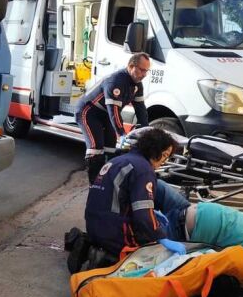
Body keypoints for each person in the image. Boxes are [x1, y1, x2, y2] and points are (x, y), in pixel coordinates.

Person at [84, 128, 181, 257]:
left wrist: (152, 213)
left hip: (92, 226)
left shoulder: (118, 160)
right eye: (164, 155)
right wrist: (161, 237)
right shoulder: (144, 170)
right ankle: (107, 258)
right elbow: (143, 215)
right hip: (114, 233)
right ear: (154, 150)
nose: (164, 161)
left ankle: (97, 250)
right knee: (154, 253)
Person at [76, 52, 151, 184]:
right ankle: (94, 186)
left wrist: (146, 130)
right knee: (96, 148)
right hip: (89, 111)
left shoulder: (137, 84)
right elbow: (114, 112)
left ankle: (107, 182)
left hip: (105, 114)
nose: (144, 74)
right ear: (131, 66)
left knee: (110, 147)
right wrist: (121, 134)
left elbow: (140, 109)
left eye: (146, 71)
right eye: (142, 70)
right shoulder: (116, 81)